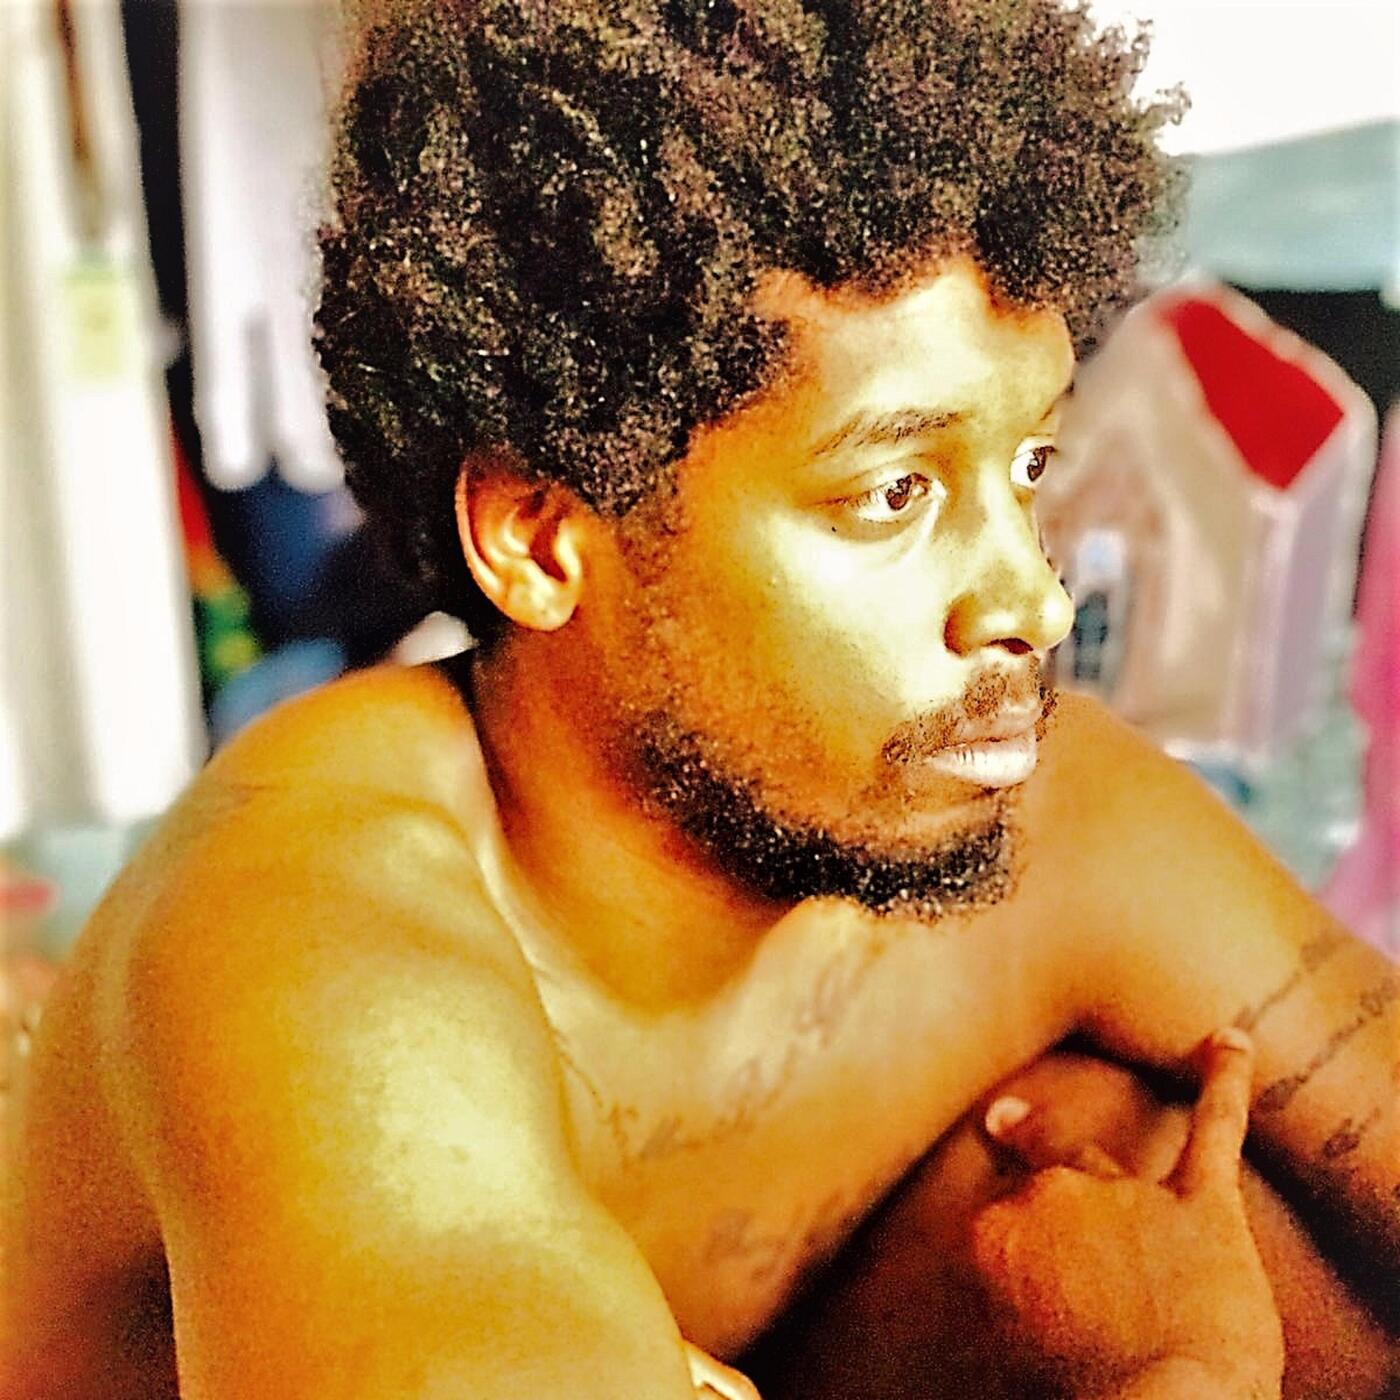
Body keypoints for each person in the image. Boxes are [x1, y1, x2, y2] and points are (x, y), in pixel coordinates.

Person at [4, 1, 1396, 1396]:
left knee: (1151, 1160)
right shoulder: (318, 956)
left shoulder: (1030, 808)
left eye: (1026, 466)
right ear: (541, 539)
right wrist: (1191, 1369)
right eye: (893, 493)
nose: (1033, 601)